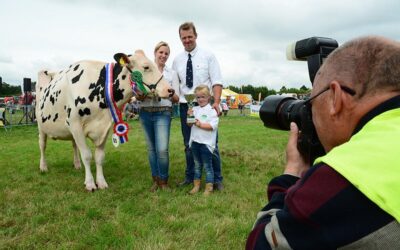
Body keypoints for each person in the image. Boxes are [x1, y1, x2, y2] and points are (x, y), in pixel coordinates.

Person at [247, 36, 400, 249]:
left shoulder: (346, 175)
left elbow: (262, 244)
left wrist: (291, 173)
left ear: (335, 97)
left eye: (311, 103)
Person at [172, 22, 224, 190]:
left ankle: (217, 179)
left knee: (211, 144)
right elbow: (175, 85)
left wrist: (216, 102)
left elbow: (217, 81)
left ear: (196, 36)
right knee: (189, 144)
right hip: (186, 106)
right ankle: (190, 177)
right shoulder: (177, 60)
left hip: (205, 106)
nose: (187, 40)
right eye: (183, 38)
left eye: (190, 37)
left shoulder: (208, 56)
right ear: (180, 38)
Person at [137, 41, 179, 192]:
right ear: (155, 53)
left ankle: (164, 181)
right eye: (161, 52)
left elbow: (176, 99)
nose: (163, 55)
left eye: (166, 53)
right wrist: (141, 94)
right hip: (145, 112)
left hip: (163, 111)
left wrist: (170, 92)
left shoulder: (171, 73)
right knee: (151, 149)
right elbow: (139, 97)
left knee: (162, 150)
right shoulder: (144, 70)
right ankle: (155, 179)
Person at [187, 85, 219, 196]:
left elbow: (212, 126)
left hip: (206, 144)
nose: (200, 99)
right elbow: (189, 124)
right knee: (197, 165)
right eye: (198, 97)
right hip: (195, 142)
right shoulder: (194, 109)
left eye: (203, 97)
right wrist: (190, 116)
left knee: (207, 166)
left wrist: (200, 124)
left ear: (209, 97)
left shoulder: (212, 111)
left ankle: (209, 188)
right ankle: (196, 186)